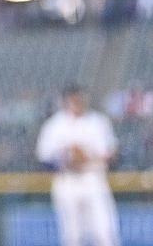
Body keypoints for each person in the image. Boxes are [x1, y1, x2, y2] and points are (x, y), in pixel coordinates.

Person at [35, 85, 120, 246]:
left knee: (105, 233)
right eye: (74, 98)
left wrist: (86, 157)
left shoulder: (97, 121)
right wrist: (65, 160)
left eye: (80, 98)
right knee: (72, 236)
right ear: (65, 101)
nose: (78, 102)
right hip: (67, 181)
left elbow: (111, 153)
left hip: (93, 179)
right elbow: (43, 157)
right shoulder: (55, 125)